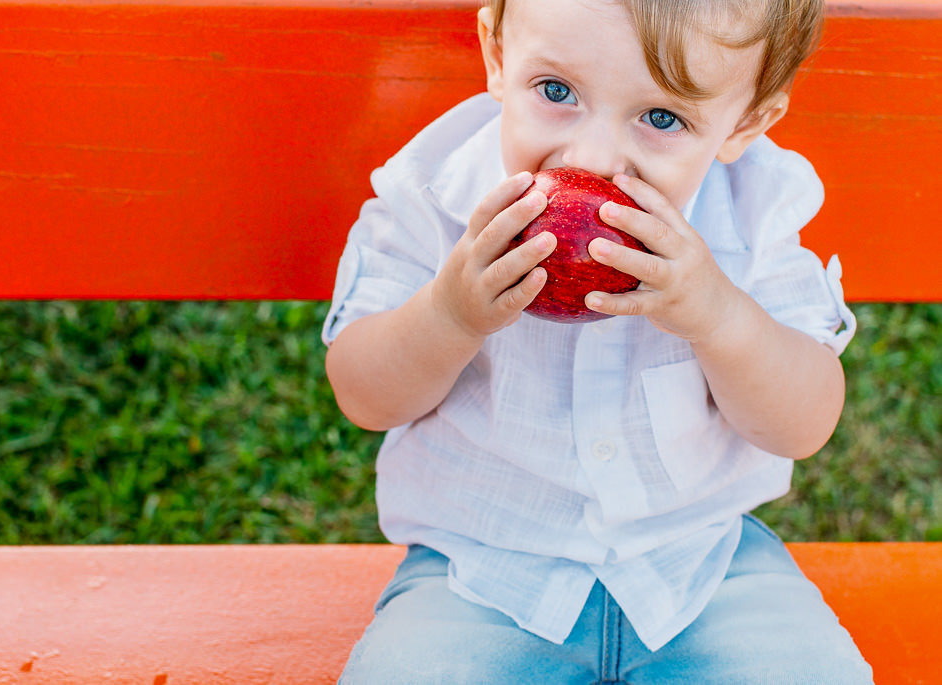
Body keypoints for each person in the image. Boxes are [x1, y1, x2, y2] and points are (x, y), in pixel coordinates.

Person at [322, 0, 873, 681]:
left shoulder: (752, 215)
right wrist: (450, 313)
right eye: (556, 92)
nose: (592, 159)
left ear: (747, 122)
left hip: (701, 568)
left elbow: (804, 421)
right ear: (497, 55)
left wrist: (718, 315)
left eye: (663, 117)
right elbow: (362, 392)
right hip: (481, 576)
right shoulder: (435, 197)